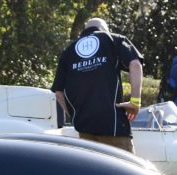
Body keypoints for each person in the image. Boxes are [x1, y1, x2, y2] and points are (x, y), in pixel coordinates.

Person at [52, 17, 143, 153]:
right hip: (113, 128)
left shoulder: (68, 51)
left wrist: (76, 115)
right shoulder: (113, 39)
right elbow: (135, 65)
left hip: (84, 130)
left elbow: (58, 93)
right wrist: (135, 102)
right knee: (124, 172)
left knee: (93, 173)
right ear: (104, 29)